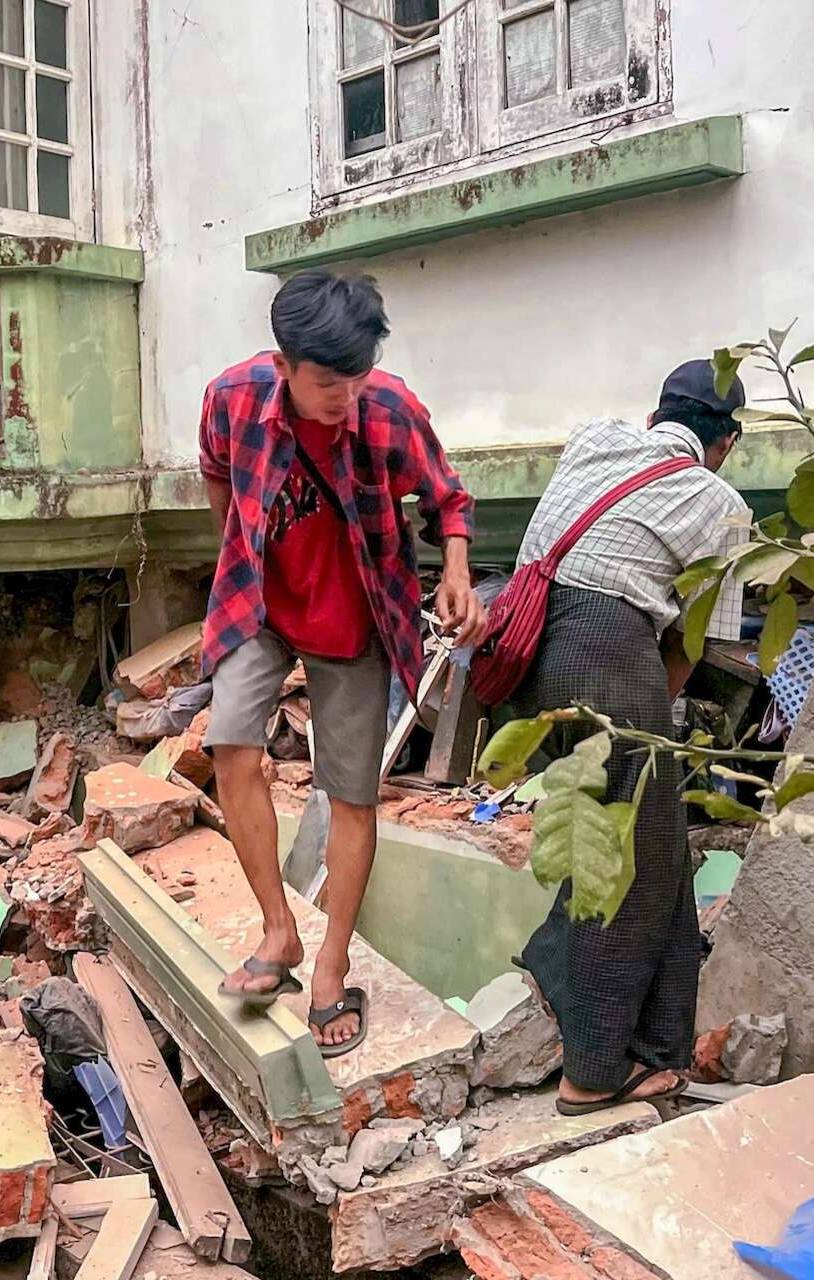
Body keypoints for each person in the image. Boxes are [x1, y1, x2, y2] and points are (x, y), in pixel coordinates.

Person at [198, 271, 486, 1057]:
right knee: (229, 746)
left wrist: (456, 572)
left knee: (351, 793)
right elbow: (217, 472)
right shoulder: (231, 398)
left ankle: (331, 967)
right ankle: (279, 932)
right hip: (259, 604)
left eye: (355, 379)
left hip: (356, 614)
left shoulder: (389, 409)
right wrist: (239, 549)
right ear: (285, 365)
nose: (344, 398)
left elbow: (449, 500)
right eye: (328, 382)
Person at [512, 358, 751, 1114]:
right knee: (635, 866)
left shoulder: (596, 440)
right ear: (730, 441)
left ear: (654, 420)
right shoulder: (720, 501)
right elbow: (703, 636)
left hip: (527, 650)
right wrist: (652, 709)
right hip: (610, 651)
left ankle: (655, 1050)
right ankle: (590, 1069)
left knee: (648, 847)